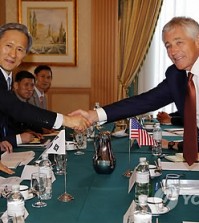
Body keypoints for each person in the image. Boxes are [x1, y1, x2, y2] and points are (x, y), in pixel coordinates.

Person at [71, 16, 199, 155]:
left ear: (197, 41)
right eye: (168, 46)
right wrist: (94, 115)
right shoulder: (176, 75)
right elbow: (145, 101)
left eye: (179, 42)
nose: (173, 51)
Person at [0, 22, 89, 172]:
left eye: (20, 49)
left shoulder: (6, 77)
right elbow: (16, 108)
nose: (13, 54)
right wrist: (67, 120)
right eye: (8, 45)